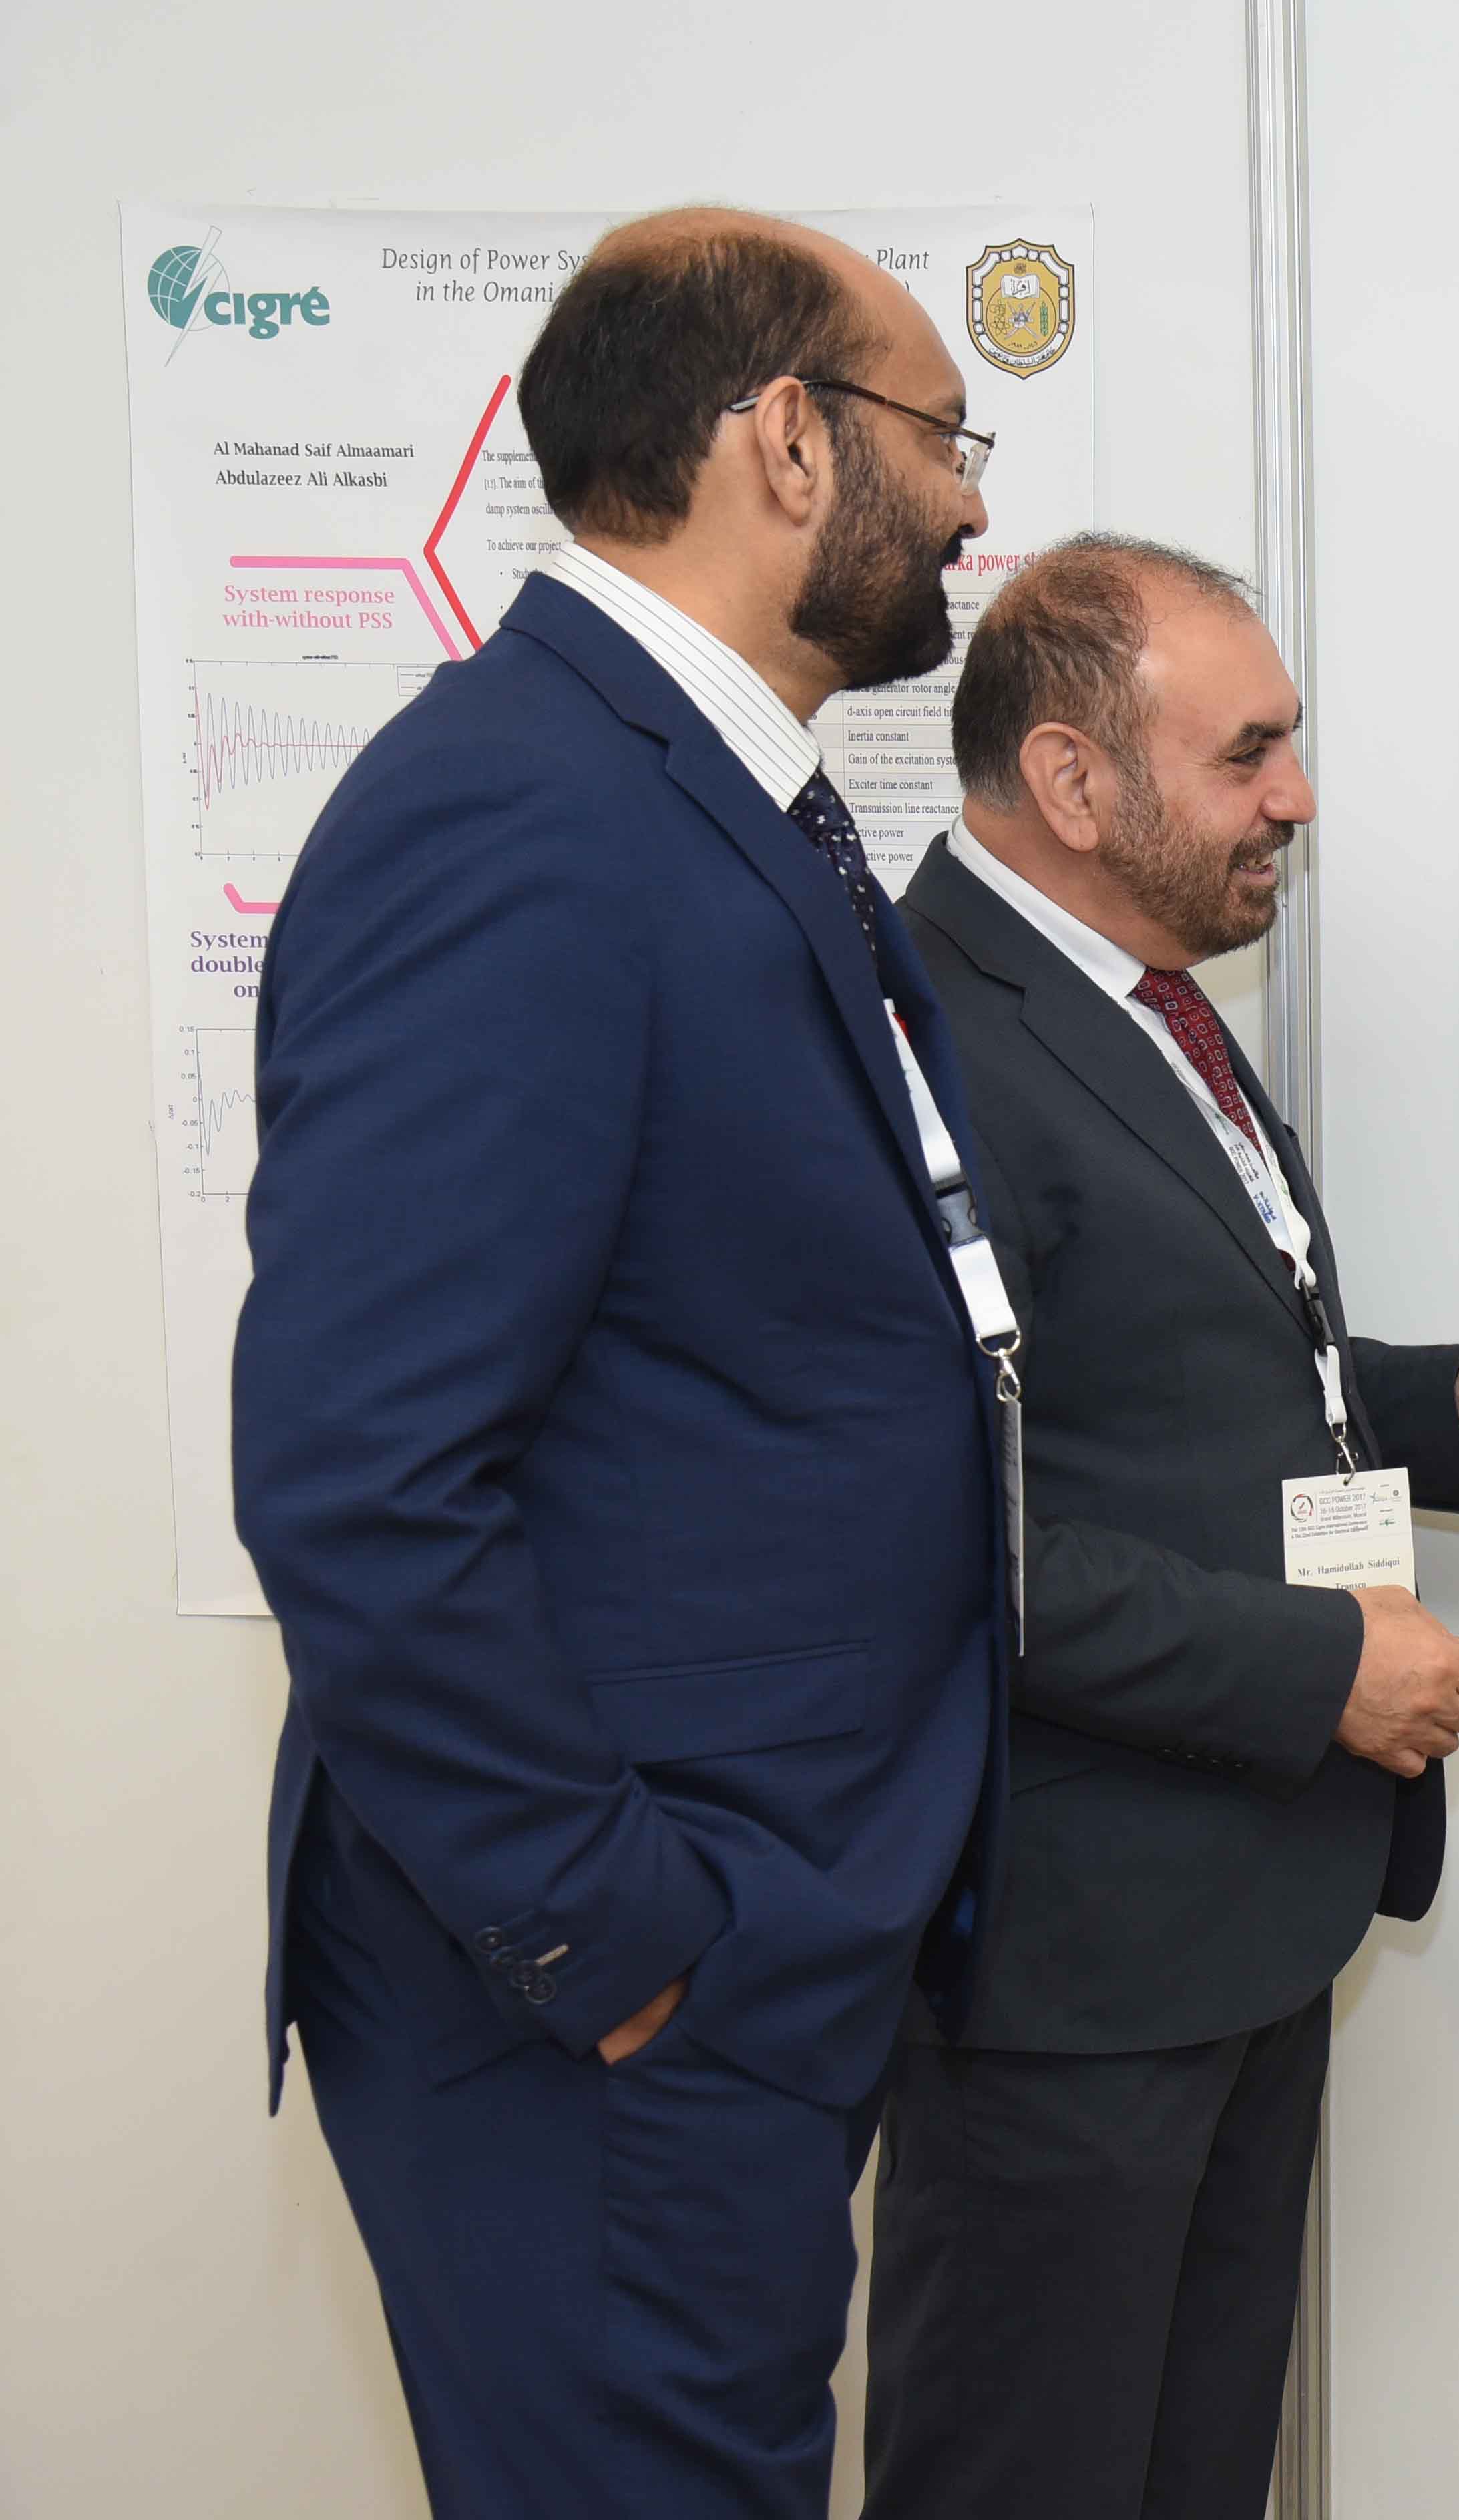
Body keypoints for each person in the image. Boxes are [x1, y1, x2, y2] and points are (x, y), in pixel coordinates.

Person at [238, 210, 1019, 2516]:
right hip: (608, 1988)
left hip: (747, 1936)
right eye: (944, 436)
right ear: (787, 441)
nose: (971, 505)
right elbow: (363, 1474)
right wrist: (618, 1934)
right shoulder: (525, 805)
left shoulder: (716, 796)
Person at [861, 535, 1459, 2519]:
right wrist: (1321, 1664)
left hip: (1234, 1925)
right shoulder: (934, 1041)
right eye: (1248, 754)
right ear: (1077, 783)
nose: (1299, 798)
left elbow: (1152, 1395)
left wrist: (1448, 1406)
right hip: (1069, 1975)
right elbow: (930, 1542)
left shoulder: (1132, 994)